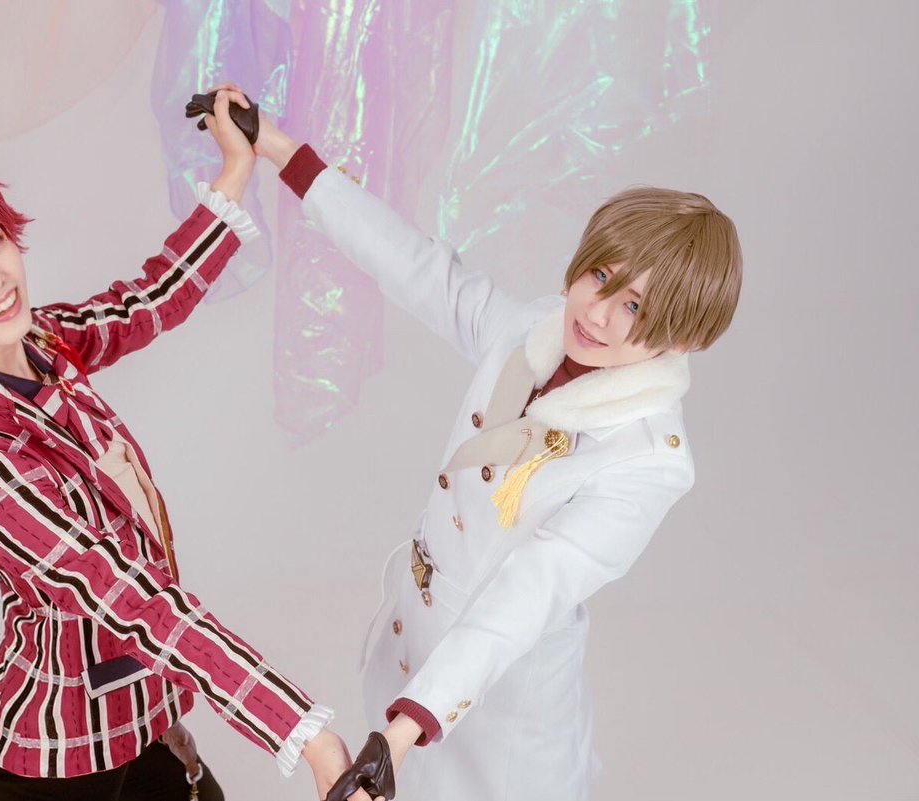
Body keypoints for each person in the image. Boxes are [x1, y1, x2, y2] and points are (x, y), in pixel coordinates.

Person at [0, 87, 353, 800]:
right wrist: (306, 735)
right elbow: (129, 597)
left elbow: (148, 301)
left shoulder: (39, 340)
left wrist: (237, 167)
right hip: (56, 759)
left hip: (141, 715)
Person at [249, 97, 742, 800]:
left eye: (634, 307)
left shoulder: (649, 461)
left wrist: (405, 730)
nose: (597, 313)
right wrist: (279, 150)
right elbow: (421, 270)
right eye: (600, 276)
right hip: (409, 655)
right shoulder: (535, 329)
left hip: (499, 715)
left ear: (685, 338)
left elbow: (532, 588)